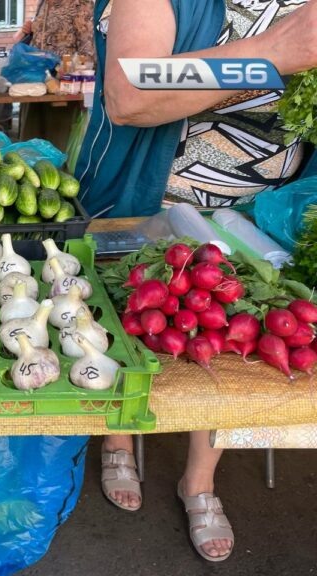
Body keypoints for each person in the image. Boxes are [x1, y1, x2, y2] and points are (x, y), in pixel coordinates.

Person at [75, 0, 317, 562]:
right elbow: (132, 91)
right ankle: (118, 440)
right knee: (126, 328)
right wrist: (277, 52)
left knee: (228, 353)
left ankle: (198, 482)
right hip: (146, 210)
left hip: (263, 219)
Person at [12, 0, 95, 151]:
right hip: (36, 85)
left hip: (63, 88)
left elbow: (88, 51)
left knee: (57, 144)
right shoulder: (43, 3)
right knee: (30, 144)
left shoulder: (80, 3)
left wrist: (69, 71)